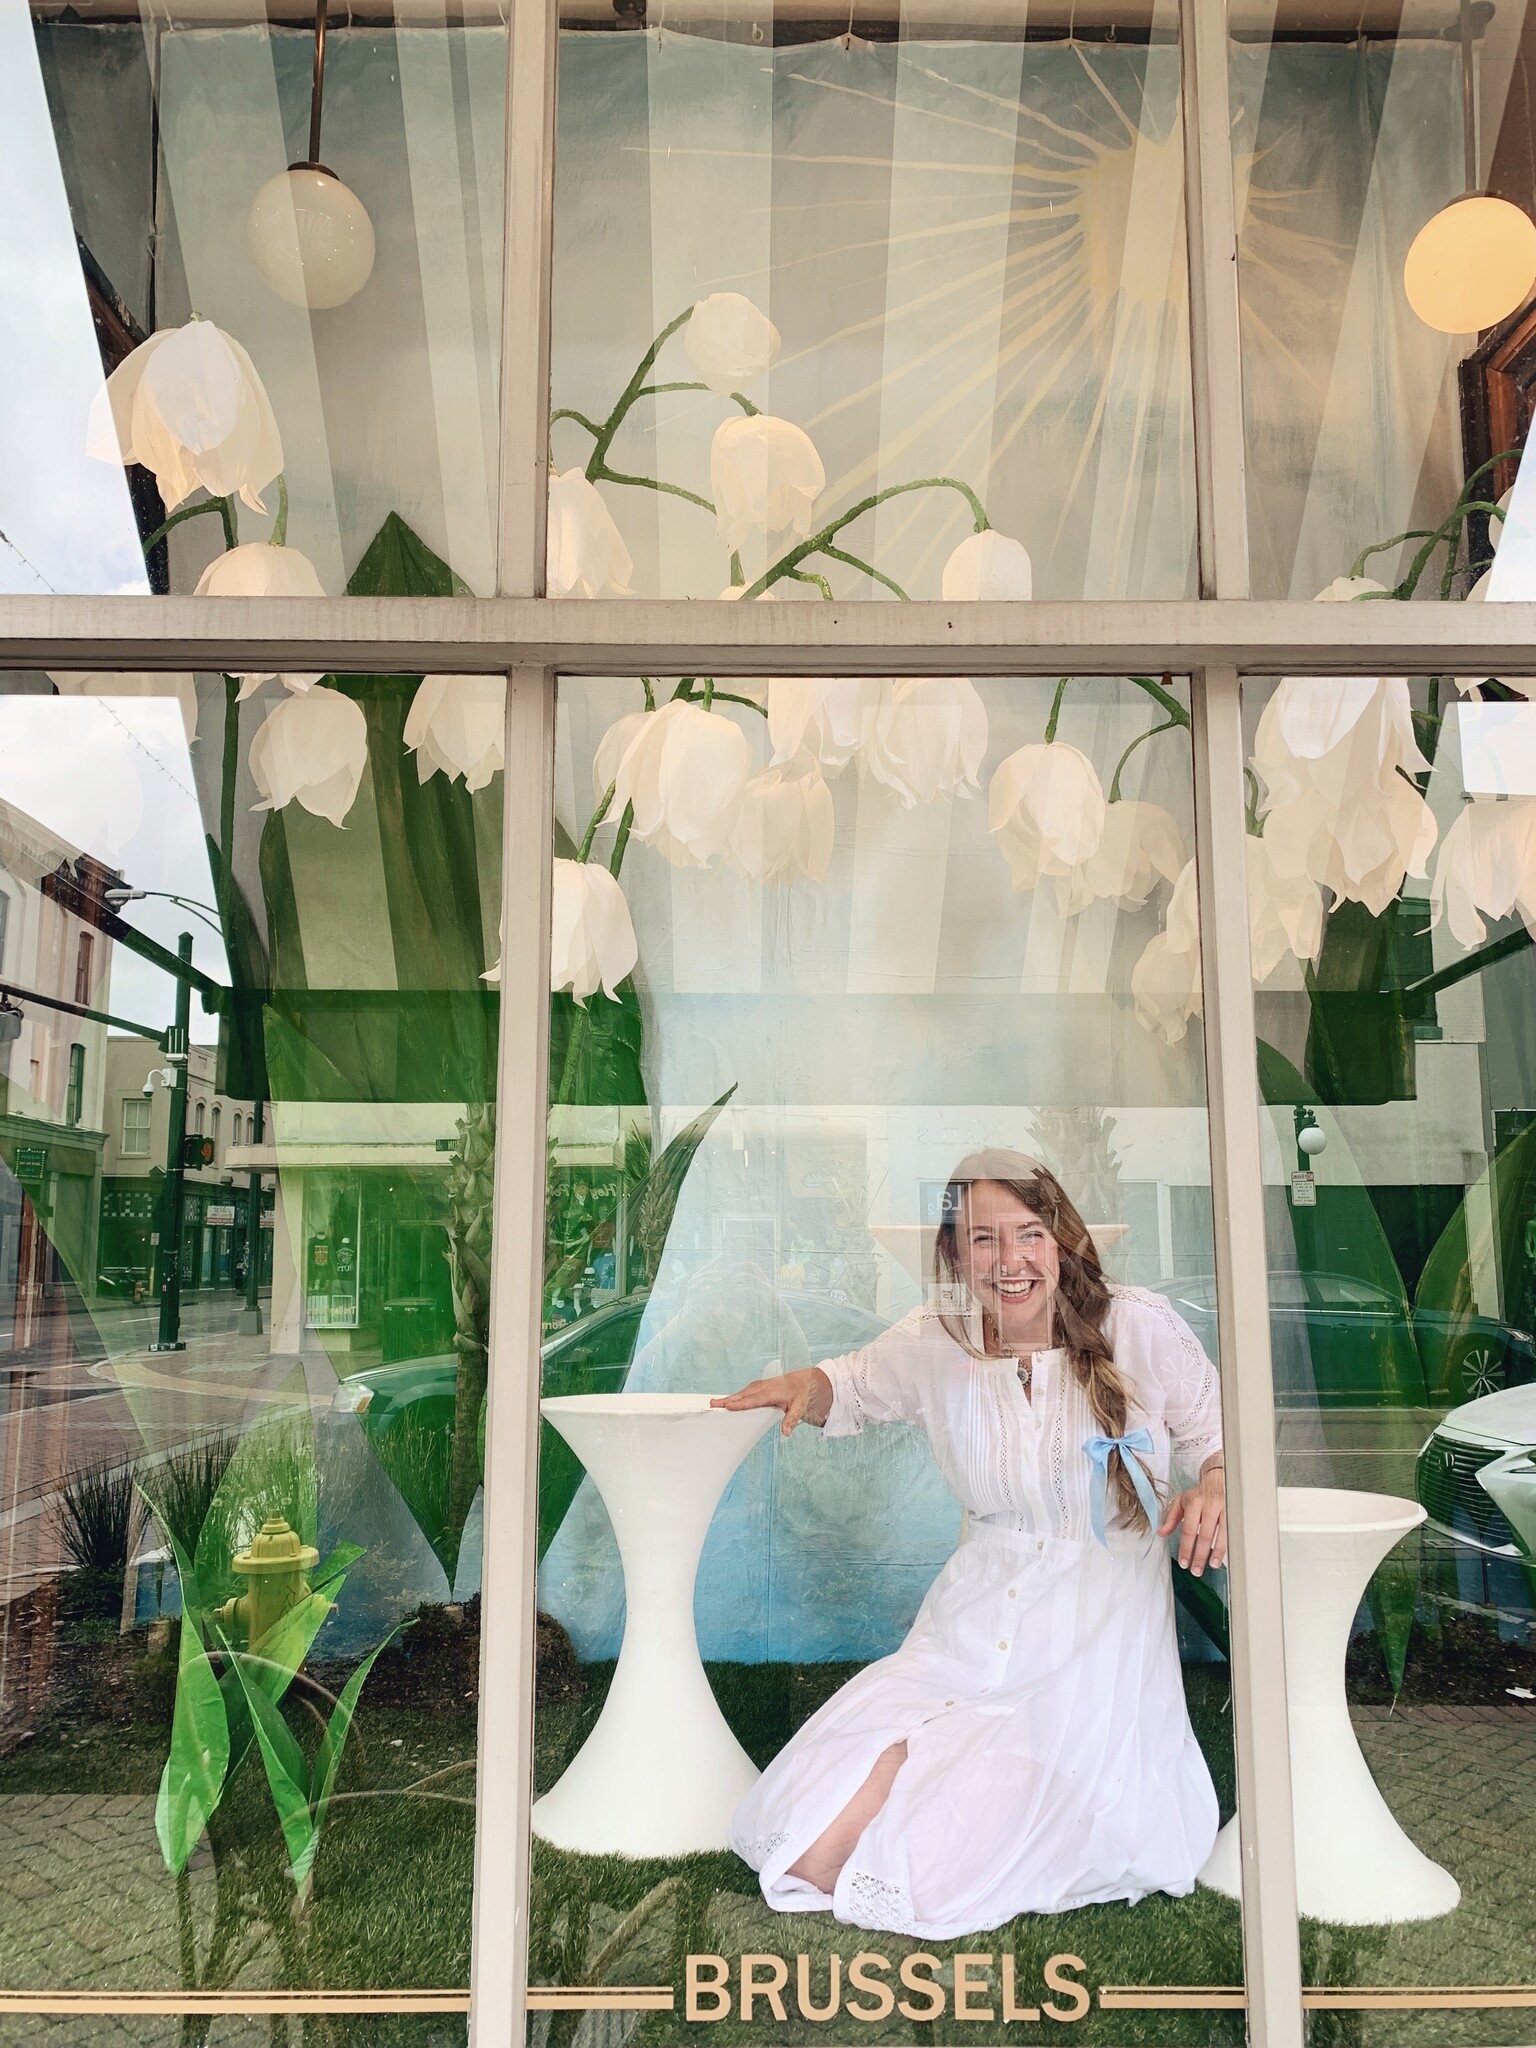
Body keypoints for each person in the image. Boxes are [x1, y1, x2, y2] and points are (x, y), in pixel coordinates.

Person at [711, 1149, 1227, 1939]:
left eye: (1028, 1234)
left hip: (1090, 1642)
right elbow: (850, 1384)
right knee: (810, 1845)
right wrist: (802, 1386)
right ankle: (923, 1762)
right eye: (984, 1239)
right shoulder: (937, 1339)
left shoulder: (1137, 1325)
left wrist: (1215, 1483)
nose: (1009, 1260)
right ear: (955, 1254)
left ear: (1061, 1240)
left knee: (921, 1859)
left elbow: (1221, 1435)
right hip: (969, 1622)